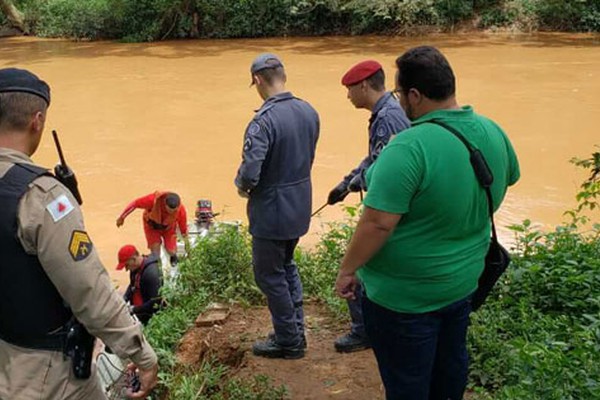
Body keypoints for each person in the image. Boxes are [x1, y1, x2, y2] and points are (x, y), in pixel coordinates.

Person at [334, 46, 520, 399]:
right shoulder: (492, 130)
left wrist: (348, 270)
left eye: (400, 93)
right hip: (463, 283)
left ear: (415, 96)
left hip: (404, 298)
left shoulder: (407, 147)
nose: (399, 99)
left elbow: (377, 224)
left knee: (407, 381)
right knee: (449, 370)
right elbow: (507, 178)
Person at [0, 68, 158, 399]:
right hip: (46, 373)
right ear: (37, 121)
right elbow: (89, 291)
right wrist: (140, 353)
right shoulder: (41, 196)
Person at [235, 53, 319, 360]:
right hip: (299, 205)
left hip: (272, 211)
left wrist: (242, 187)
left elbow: (250, 172)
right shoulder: (308, 111)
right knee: (286, 266)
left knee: (269, 275)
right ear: (282, 76)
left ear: (258, 80)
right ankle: (295, 330)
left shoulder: (263, 121)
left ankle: (289, 341)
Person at [328, 59, 410, 353]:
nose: (348, 95)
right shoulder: (387, 111)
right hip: (392, 202)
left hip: (387, 206)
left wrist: (357, 182)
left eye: (350, 89)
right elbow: (376, 156)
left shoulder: (387, 117)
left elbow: (384, 164)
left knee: (360, 261)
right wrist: (347, 182)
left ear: (363, 86)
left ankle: (364, 331)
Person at [116, 191, 190, 265]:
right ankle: (157, 268)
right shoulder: (152, 200)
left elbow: (183, 230)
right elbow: (135, 204)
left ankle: (173, 258)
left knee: (171, 251)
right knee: (155, 253)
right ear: (164, 203)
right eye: (169, 210)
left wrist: (187, 246)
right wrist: (122, 217)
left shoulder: (181, 211)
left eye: (173, 211)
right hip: (151, 227)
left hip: (168, 228)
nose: (170, 213)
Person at [117, 244, 163, 325]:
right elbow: (132, 285)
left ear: (134, 259)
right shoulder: (134, 269)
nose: (126, 269)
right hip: (138, 312)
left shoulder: (151, 274)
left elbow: (155, 302)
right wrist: (124, 298)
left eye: (127, 265)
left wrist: (134, 309)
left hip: (149, 317)